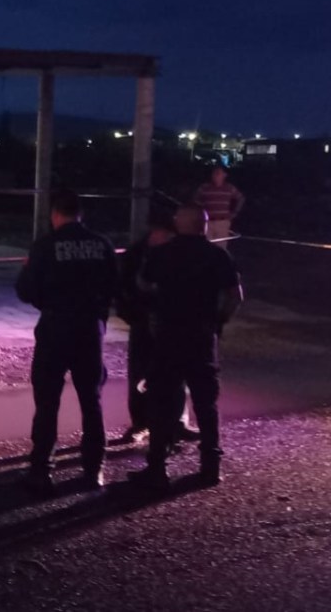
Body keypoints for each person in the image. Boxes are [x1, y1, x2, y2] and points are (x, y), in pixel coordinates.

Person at [129, 204, 243, 491]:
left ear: (180, 224)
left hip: (168, 338)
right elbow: (235, 295)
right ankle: (210, 466)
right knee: (206, 404)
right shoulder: (218, 256)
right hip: (202, 338)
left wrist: (157, 307)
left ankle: (157, 468)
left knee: (162, 402)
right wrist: (218, 321)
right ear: (203, 226)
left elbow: (143, 284)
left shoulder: (162, 253)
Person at [16, 189, 118, 494]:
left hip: (55, 328)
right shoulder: (102, 245)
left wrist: (48, 301)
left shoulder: (46, 246)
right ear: (81, 215)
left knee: (47, 401)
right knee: (92, 400)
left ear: (55, 215)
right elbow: (115, 285)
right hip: (90, 330)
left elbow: (25, 290)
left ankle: (42, 470)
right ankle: (93, 469)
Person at [116, 206, 200, 444]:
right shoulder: (138, 255)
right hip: (145, 321)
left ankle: (177, 422)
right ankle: (142, 423)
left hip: (170, 323)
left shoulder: (169, 253)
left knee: (175, 375)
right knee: (142, 373)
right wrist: (132, 314)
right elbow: (125, 287)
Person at [193, 164, 245, 250]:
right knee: (206, 248)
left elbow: (241, 198)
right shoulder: (204, 187)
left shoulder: (229, 188)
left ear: (224, 175)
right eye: (214, 173)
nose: (215, 176)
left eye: (218, 173)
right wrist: (200, 212)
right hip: (207, 223)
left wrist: (234, 213)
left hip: (222, 222)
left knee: (221, 249)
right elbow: (195, 200)